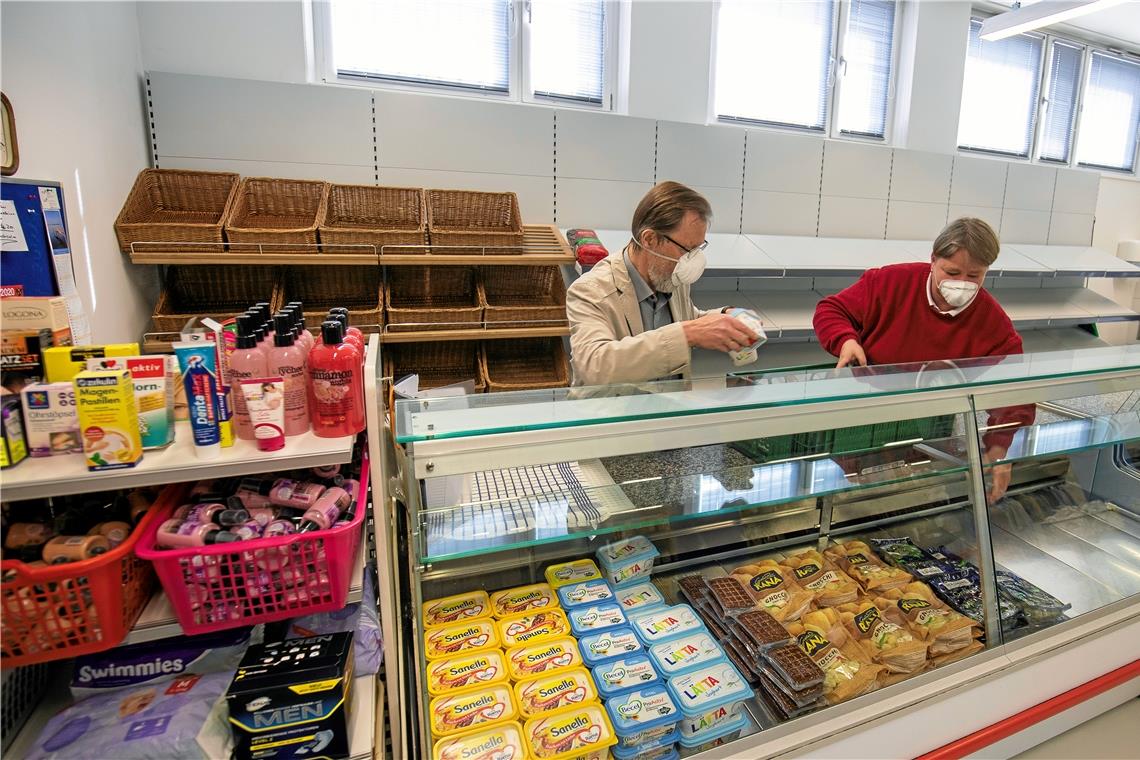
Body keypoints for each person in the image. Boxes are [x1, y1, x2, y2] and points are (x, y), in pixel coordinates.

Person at [813, 217, 1034, 502]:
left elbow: (1013, 391)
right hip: (862, 422)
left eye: (974, 276)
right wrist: (846, 339)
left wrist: (999, 448)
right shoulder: (889, 282)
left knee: (914, 500)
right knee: (849, 502)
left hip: (931, 432)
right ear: (933, 260)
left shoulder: (993, 323)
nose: (961, 284)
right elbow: (831, 310)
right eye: (951, 272)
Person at [566, 181, 761, 386]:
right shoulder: (589, 291)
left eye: (698, 249)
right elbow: (594, 366)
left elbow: (684, 317)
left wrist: (725, 316)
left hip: (668, 410)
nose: (692, 261)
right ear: (649, 239)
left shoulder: (671, 276)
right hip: (617, 415)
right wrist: (688, 334)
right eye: (687, 249)